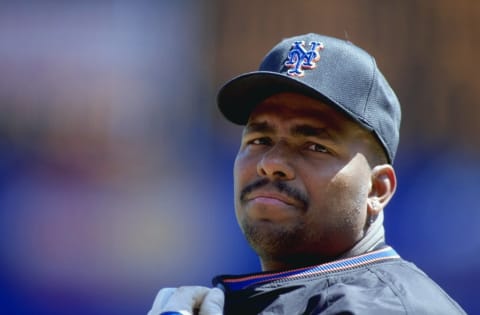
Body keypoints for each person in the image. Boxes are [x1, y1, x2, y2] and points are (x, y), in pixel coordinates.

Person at [148, 33, 466, 315]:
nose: (272, 163)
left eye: (314, 146)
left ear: (377, 189)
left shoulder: (387, 306)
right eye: (260, 140)